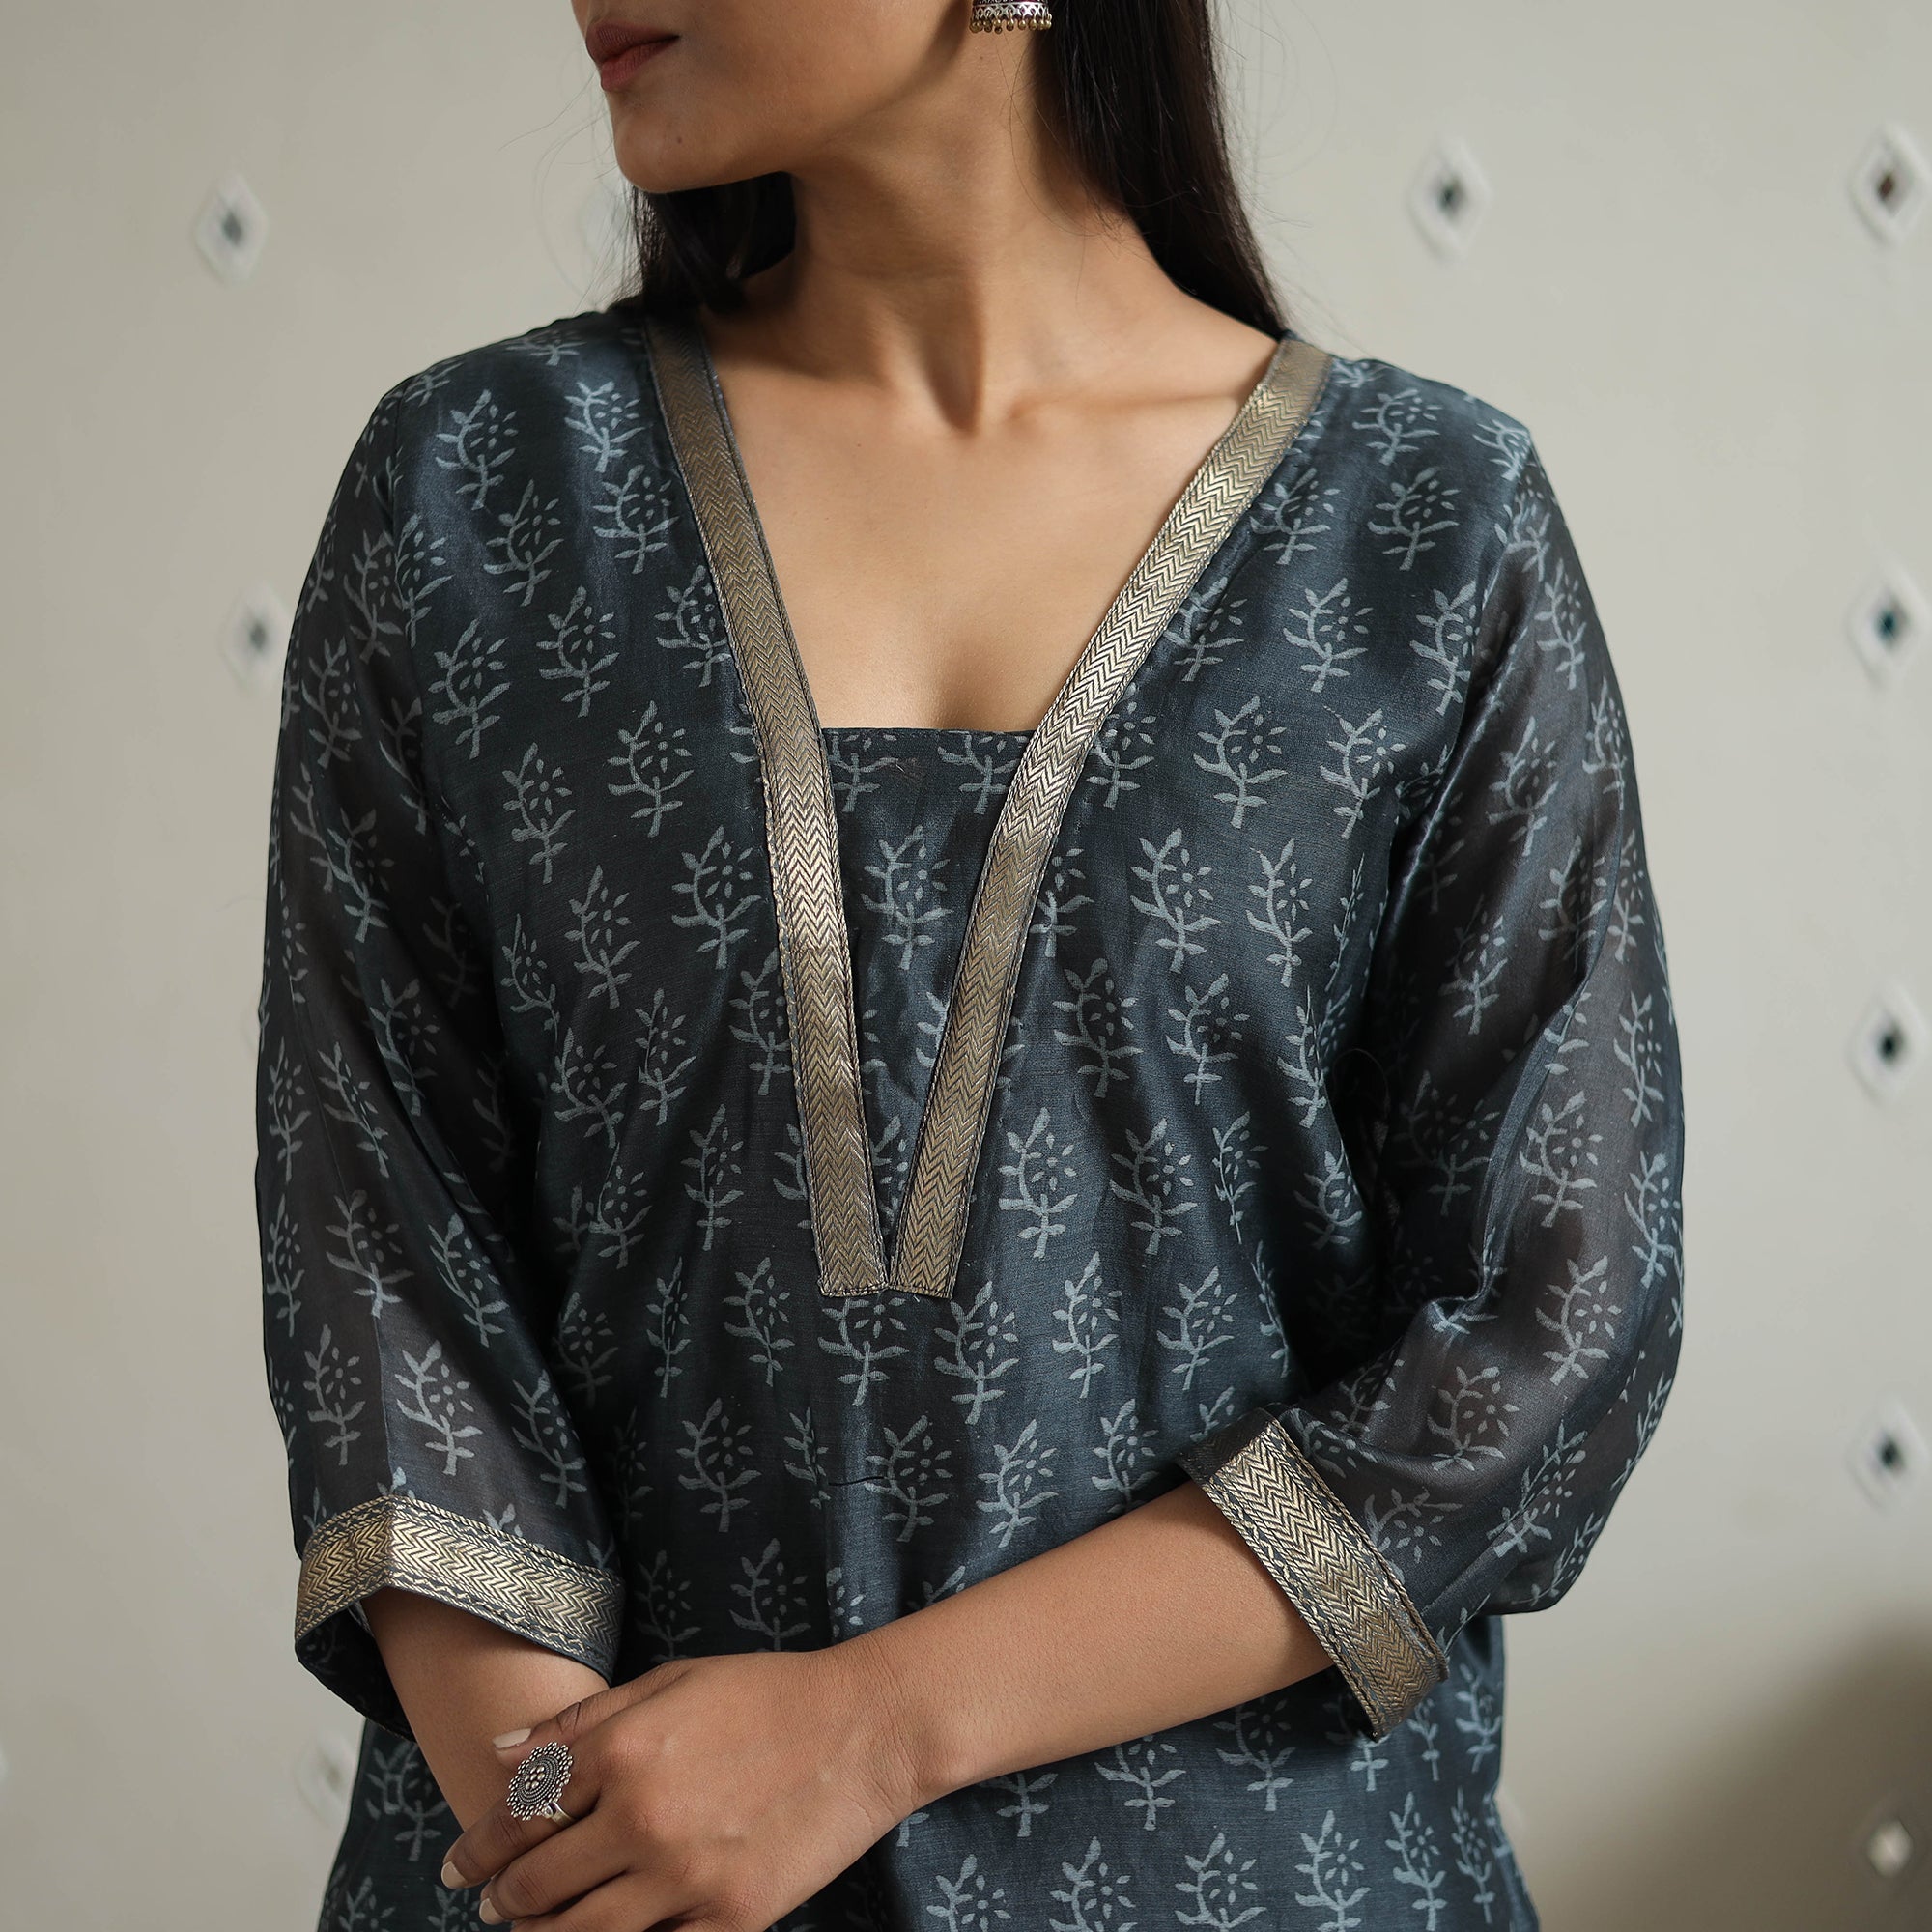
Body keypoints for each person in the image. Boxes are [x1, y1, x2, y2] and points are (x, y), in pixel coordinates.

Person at [251, 1, 1687, 1926]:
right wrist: (575, 1837)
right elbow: (378, 1246)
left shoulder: (1425, 534)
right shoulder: (476, 496)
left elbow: (1546, 1332)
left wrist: (867, 1732)